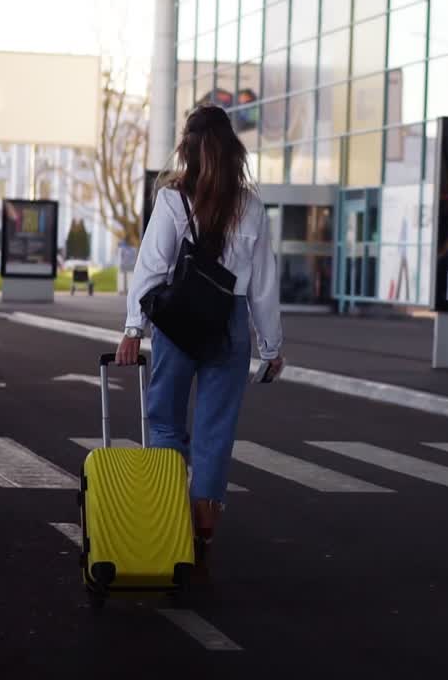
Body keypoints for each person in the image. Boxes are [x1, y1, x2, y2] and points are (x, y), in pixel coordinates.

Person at [114, 103, 283, 582]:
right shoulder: (250, 205)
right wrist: (270, 348)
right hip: (229, 320)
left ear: (186, 148)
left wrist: (133, 329)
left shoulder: (172, 199)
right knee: (215, 433)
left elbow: (151, 267)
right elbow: (264, 284)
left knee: (165, 421)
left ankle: (168, 528)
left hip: (177, 322)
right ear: (233, 149)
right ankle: (201, 543)